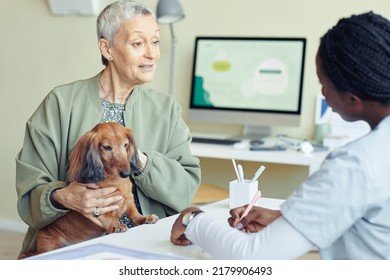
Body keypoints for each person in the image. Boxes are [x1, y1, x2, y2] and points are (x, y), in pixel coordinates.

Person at [170, 11, 390, 260]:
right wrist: (288, 223)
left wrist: (193, 219)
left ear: (353, 99)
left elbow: (252, 259)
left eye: (324, 85)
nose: (323, 94)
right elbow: (374, 236)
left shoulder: (354, 165)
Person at [16, 0, 200, 256]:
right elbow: (30, 189)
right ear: (107, 48)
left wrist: (140, 160)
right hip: (74, 243)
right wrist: (64, 196)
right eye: (138, 43)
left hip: (145, 244)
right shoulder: (61, 102)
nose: (152, 53)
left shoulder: (166, 109)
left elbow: (186, 188)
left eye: (155, 42)